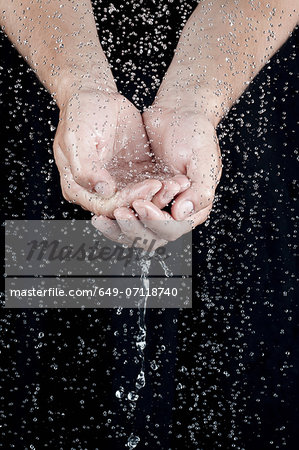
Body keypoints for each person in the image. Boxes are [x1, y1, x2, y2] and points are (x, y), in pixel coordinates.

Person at [0, 0, 298, 250]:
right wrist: (78, 82)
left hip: (235, 70)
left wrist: (196, 96)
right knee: (50, 289)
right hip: (45, 66)